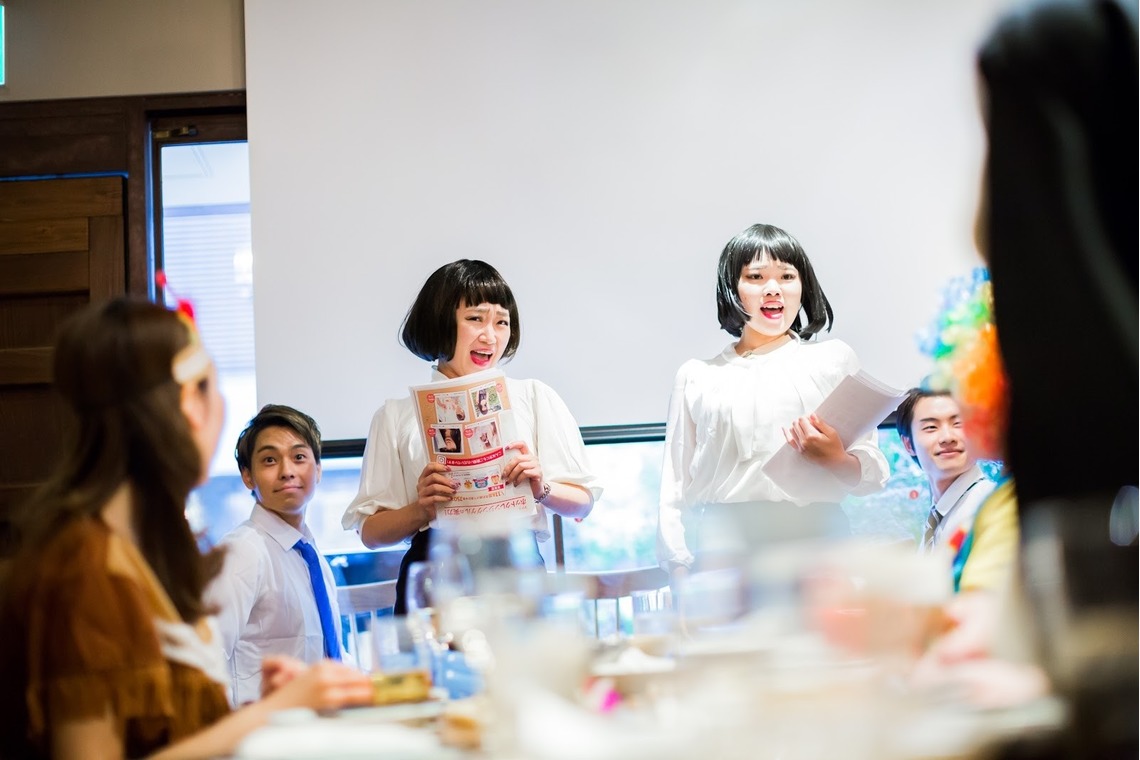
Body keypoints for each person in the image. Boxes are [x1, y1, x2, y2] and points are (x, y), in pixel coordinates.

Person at [0, 299, 371, 759]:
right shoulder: (87, 568)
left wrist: (271, 705)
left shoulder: (146, 548)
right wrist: (269, 714)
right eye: (212, 389)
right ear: (188, 408)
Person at [342, 259, 601, 613]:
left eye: (501, 322)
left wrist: (541, 487)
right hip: (434, 576)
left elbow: (583, 501)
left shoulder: (534, 396)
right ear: (440, 321)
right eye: (475, 319)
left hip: (517, 567)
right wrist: (422, 508)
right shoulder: (395, 415)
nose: (490, 336)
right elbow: (371, 533)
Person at [656, 223, 890, 586]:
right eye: (755, 276)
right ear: (732, 289)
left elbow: (871, 474)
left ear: (803, 286)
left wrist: (837, 460)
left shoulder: (833, 359)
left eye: (786, 275)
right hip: (725, 547)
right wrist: (680, 568)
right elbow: (673, 483)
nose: (772, 288)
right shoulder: (697, 375)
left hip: (819, 545)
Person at [206, 404, 343, 707]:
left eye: (299, 457)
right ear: (248, 477)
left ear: (318, 470)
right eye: (269, 460)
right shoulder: (242, 551)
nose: (287, 471)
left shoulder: (310, 555)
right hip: (261, 733)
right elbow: (207, 658)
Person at [895, 387, 1016, 593]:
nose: (947, 437)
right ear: (908, 444)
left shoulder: (986, 505)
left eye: (958, 423)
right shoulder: (937, 517)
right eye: (931, 427)